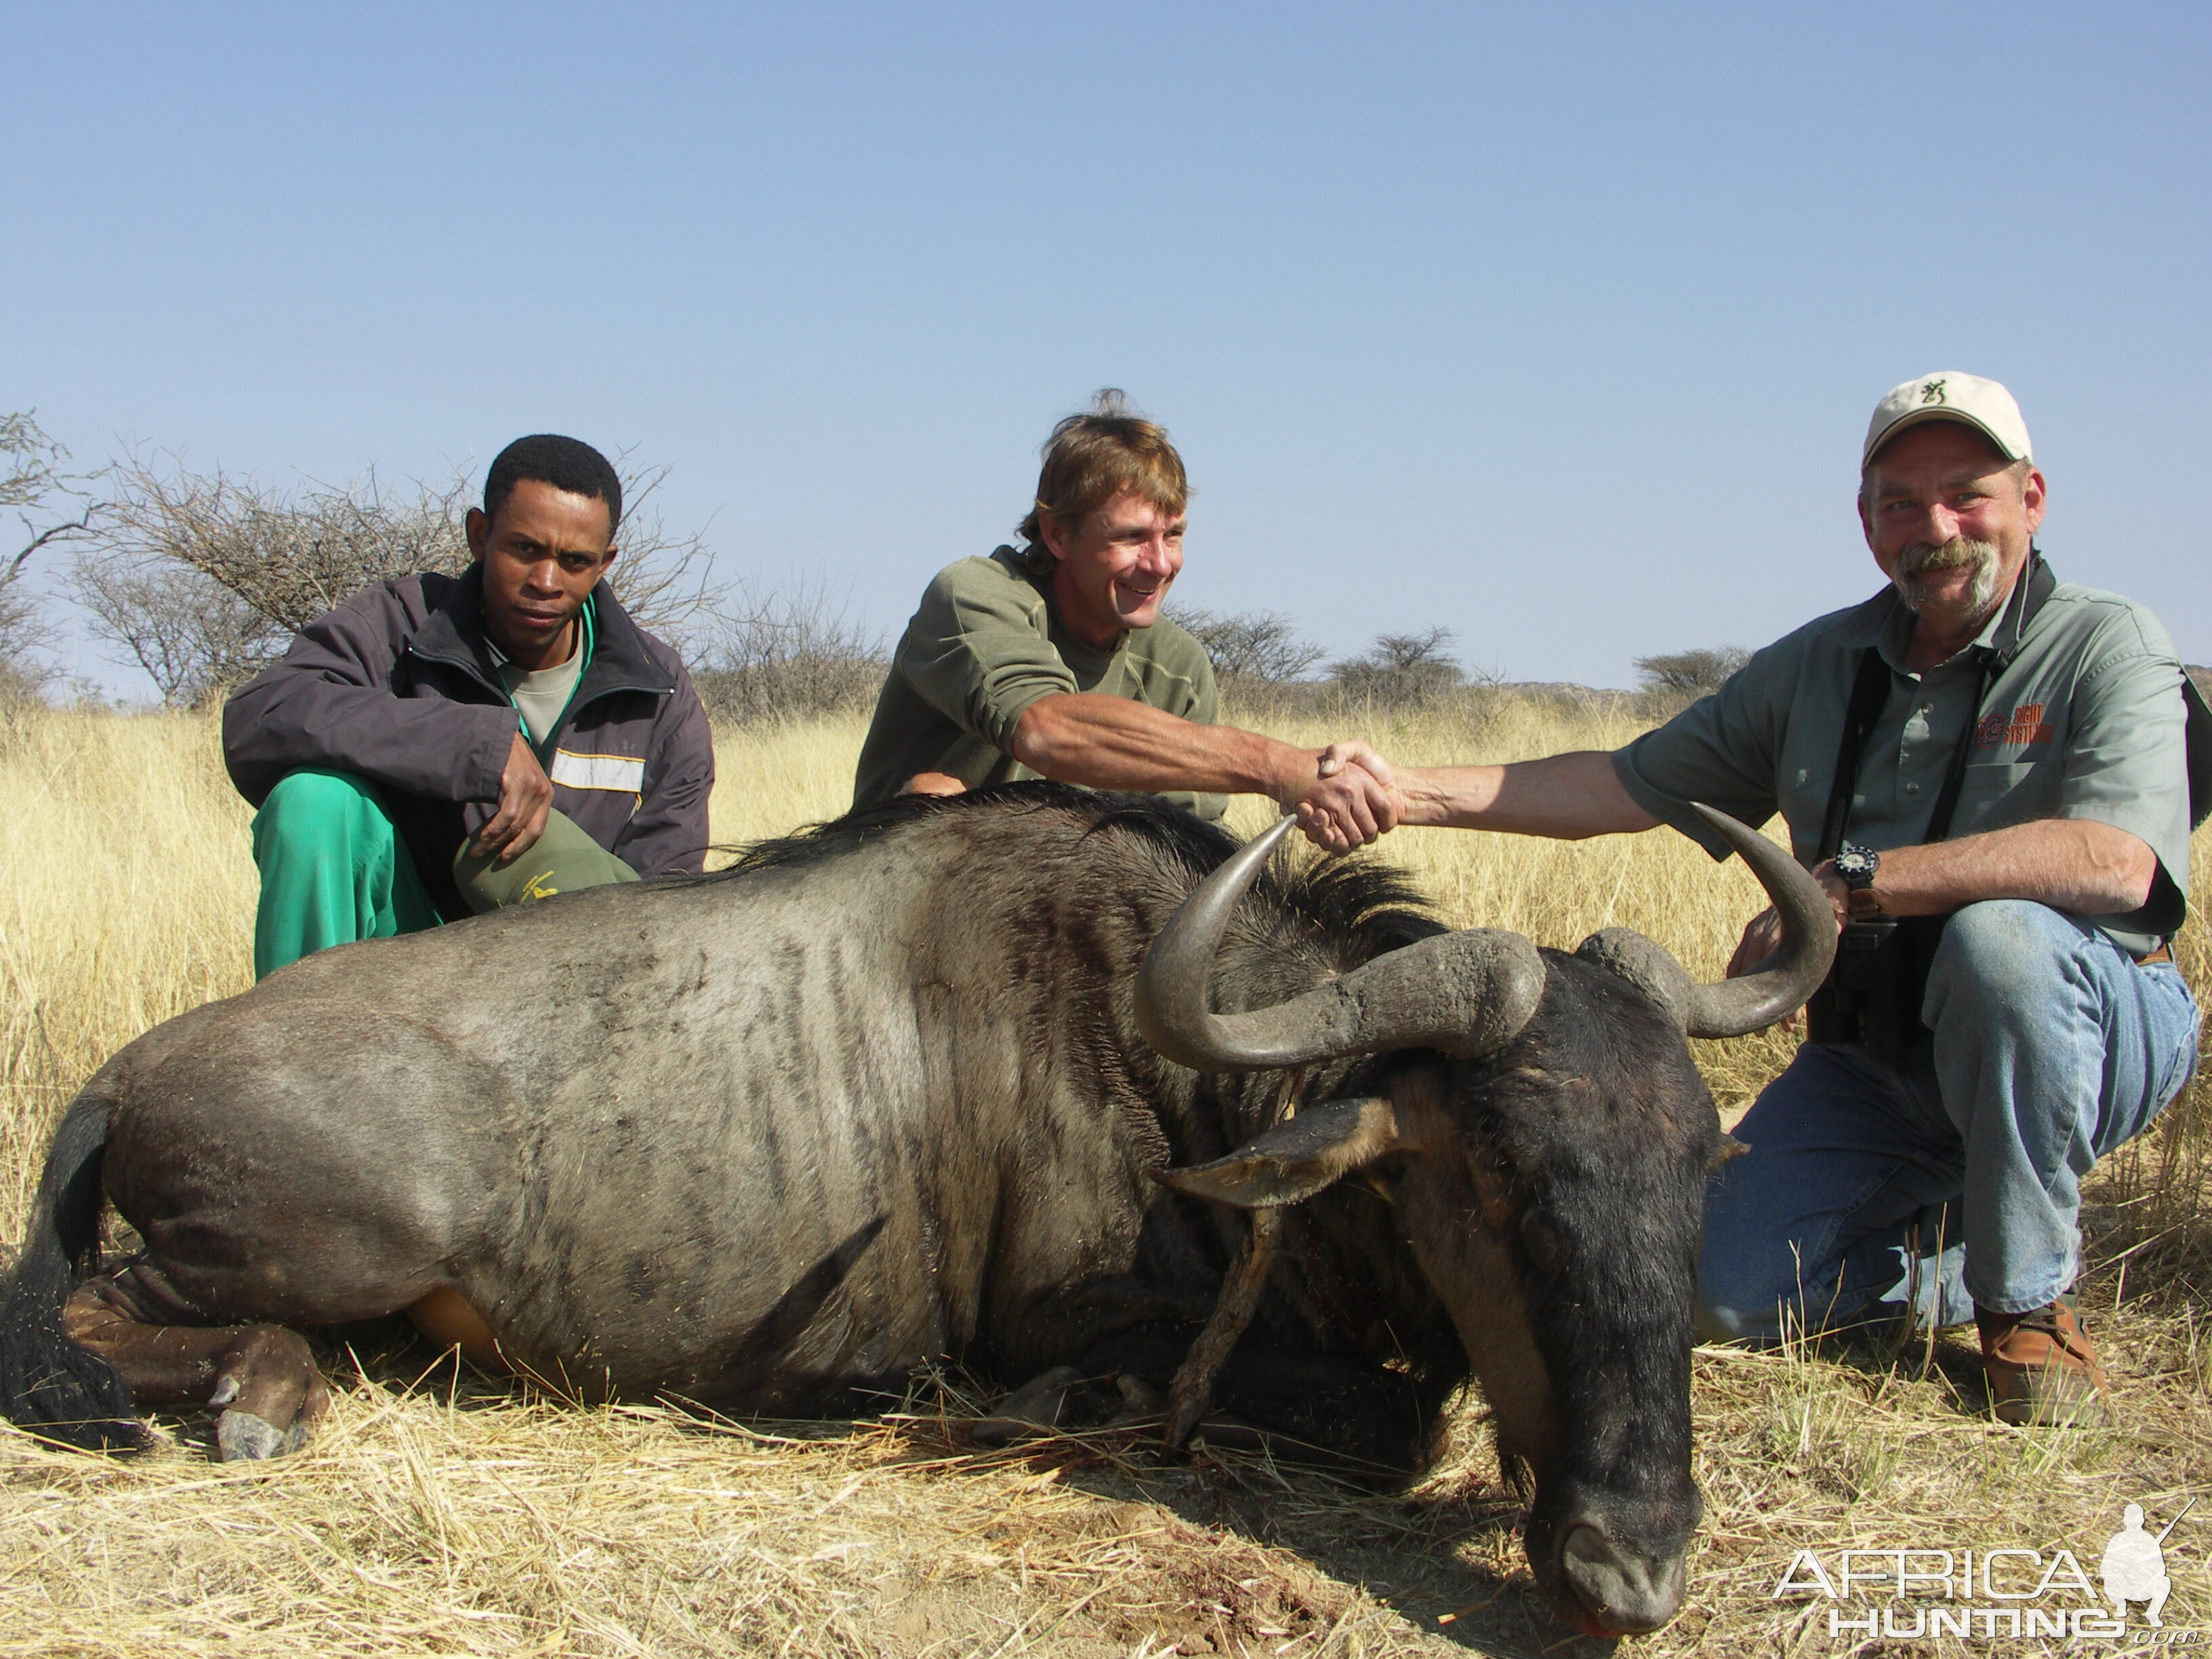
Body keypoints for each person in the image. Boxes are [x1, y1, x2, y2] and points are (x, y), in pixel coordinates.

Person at [1349, 373, 2202, 1427]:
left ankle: (2024, 1302)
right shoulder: (1820, 664)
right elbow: (1622, 785)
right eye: (1900, 501)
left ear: (2032, 497)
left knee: (2003, 948)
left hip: (2087, 1027)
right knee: (1717, 1289)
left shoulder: (2106, 640)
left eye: (1967, 494)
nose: (1935, 527)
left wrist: (1846, 886)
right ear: (1865, 521)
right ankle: (1959, 1250)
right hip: (1881, 1060)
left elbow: (2117, 863)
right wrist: (1406, 794)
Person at [224, 434, 715, 978]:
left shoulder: (660, 690)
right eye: (525, 549)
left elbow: (668, 895)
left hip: (564, 985)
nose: (546, 582)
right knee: (312, 802)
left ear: (604, 563)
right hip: (399, 958)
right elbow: (260, 716)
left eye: (575, 561)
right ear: (480, 535)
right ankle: (302, 1044)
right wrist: (474, 745)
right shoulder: (395, 627)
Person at [853, 391, 1395, 846]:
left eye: (1174, 534)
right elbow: (1046, 730)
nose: (1161, 564)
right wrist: (1283, 769)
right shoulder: (973, 594)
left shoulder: (1178, 664)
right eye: (1132, 537)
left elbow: (1183, 841)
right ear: (1058, 534)